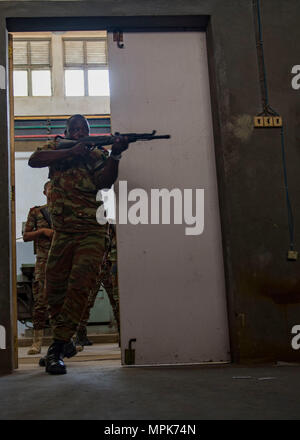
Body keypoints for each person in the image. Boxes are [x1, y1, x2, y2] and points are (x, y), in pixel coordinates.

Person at [28, 114, 128, 375]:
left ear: (89, 131)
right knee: (54, 289)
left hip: (91, 231)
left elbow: (105, 182)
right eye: (74, 128)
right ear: (67, 131)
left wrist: (115, 155)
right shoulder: (56, 147)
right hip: (63, 232)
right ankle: (66, 340)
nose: (79, 131)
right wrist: (71, 151)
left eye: (83, 129)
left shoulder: (96, 155)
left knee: (80, 285)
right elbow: (34, 160)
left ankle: (57, 348)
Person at [75, 223, 119, 348]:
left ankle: (123, 335)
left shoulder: (113, 226)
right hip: (95, 266)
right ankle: (80, 335)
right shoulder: (92, 225)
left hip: (109, 265)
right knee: (87, 301)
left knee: (116, 301)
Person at [23, 181, 53, 355]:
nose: (52, 191)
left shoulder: (65, 211)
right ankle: (37, 342)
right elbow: (26, 236)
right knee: (40, 302)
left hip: (62, 261)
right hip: (43, 261)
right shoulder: (36, 211)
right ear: (44, 192)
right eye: (50, 188)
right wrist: (42, 232)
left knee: (63, 302)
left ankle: (65, 341)